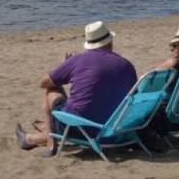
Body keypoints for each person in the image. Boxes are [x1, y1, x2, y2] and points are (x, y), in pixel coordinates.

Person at [15, 21, 137, 156]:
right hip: (115, 128)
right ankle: (44, 132)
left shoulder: (79, 59)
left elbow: (43, 82)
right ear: (110, 42)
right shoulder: (126, 65)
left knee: (51, 90)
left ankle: (41, 140)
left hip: (79, 127)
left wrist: (64, 66)